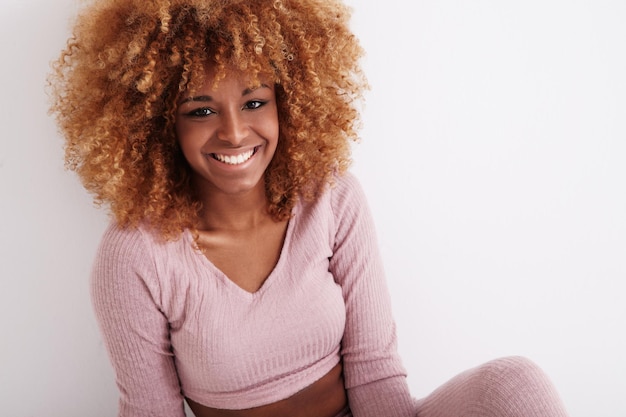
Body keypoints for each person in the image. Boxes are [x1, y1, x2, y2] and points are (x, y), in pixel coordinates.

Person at [49, 1, 571, 416]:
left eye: (255, 102)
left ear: (288, 102)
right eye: (201, 110)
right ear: (160, 123)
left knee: (516, 386)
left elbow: (374, 369)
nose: (233, 132)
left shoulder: (331, 199)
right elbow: (151, 412)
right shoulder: (136, 256)